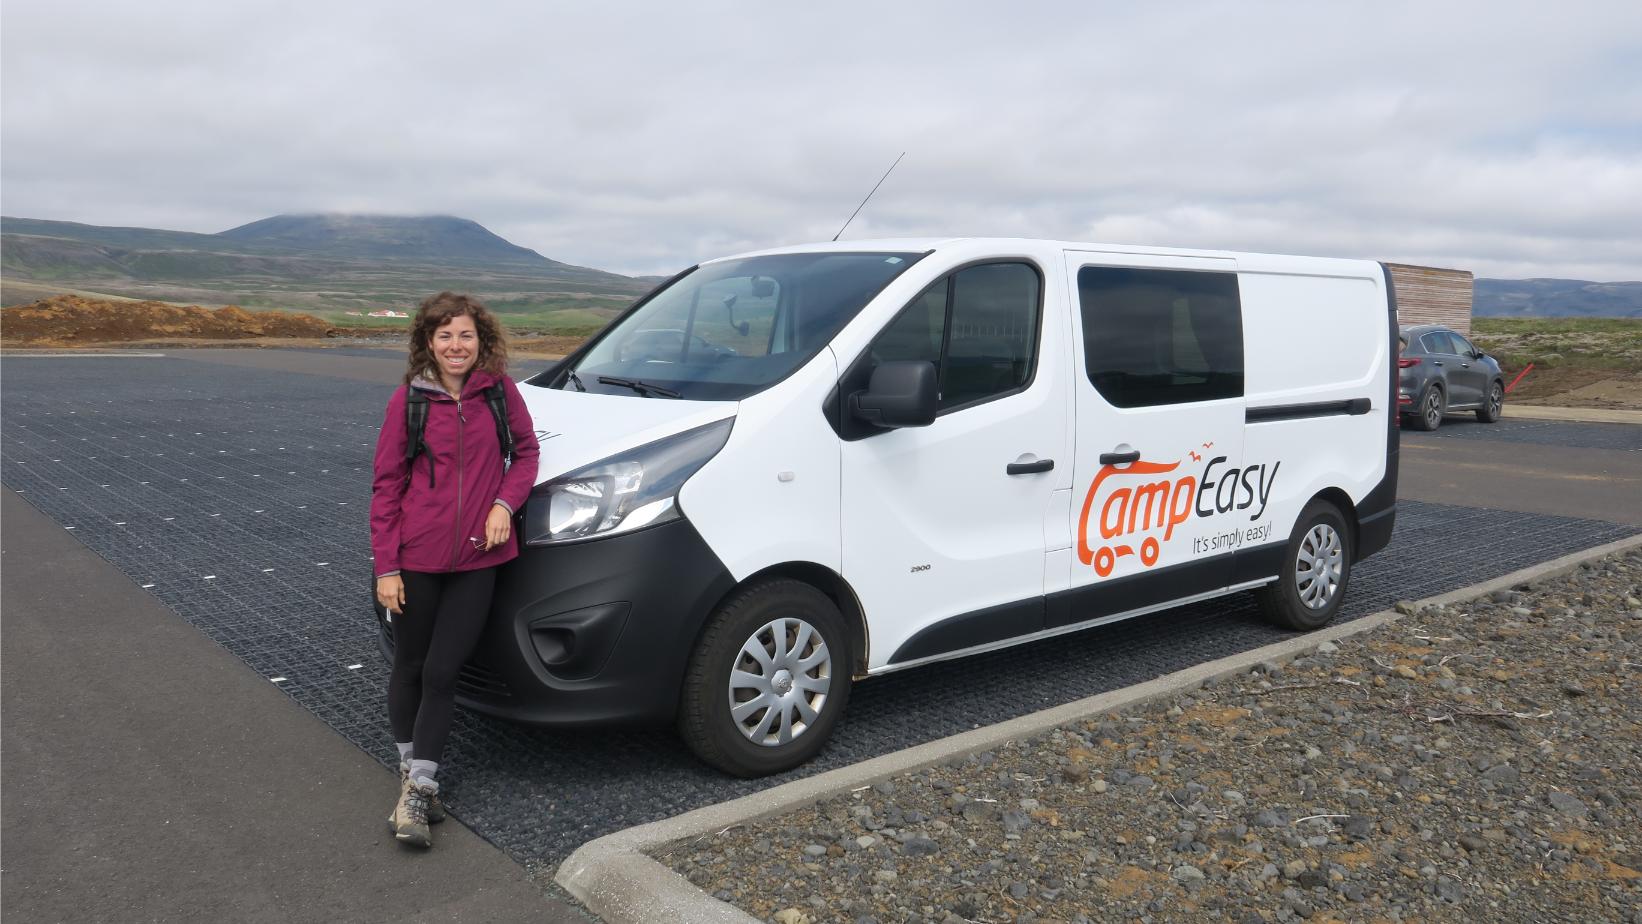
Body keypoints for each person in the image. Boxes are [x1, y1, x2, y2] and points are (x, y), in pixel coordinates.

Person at [369, 291, 539, 848]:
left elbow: (527, 454)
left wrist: (503, 504)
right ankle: (412, 777)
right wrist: (387, 567)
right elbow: (387, 486)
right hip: (416, 558)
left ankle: (419, 790)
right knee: (410, 666)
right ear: (429, 342)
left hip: (478, 558)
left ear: (480, 339)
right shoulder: (409, 401)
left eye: (465, 334)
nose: (456, 345)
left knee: (444, 673)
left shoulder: (500, 393)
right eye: (445, 336)